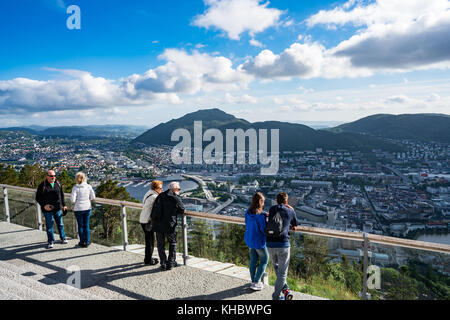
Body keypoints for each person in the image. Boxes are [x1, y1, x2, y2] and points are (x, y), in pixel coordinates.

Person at [266, 192, 299, 300]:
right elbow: (295, 224)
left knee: (277, 268)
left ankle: (285, 289)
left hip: (270, 244)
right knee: (282, 273)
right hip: (283, 244)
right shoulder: (290, 211)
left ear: (276, 200)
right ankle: (275, 297)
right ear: (286, 201)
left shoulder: (272, 209)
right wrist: (291, 208)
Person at [151, 181, 185, 271]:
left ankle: (163, 263)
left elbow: (154, 208)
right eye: (179, 189)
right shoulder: (175, 198)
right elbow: (182, 209)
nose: (179, 191)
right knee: (172, 243)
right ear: (174, 189)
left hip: (158, 225)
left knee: (160, 245)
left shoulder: (160, 196)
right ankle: (171, 262)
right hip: (170, 225)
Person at [35, 169, 68, 249]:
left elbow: (61, 195)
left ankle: (63, 237)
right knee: (49, 226)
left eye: (54, 175)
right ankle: (50, 241)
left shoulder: (58, 183)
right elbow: (37, 198)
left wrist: (64, 205)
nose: (53, 177)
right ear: (47, 176)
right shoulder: (42, 185)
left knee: (60, 224)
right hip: (47, 209)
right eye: (51, 176)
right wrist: (44, 205)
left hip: (58, 208)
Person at [244, 192, 269, 291]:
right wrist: (266, 220)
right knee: (264, 260)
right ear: (261, 201)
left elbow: (248, 222)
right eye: (263, 201)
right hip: (258, 241)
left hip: (249, 239)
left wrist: (264, 214)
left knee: (253, 261)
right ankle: (255, 282)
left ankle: (253, 281)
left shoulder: (248, 212)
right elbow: (264, 229)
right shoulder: (260, 216)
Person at [139, 180, 163, 265]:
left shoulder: (148, 193)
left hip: (143, 219)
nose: (161, 190)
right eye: (160, 188)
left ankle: (148, 258)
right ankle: (148, 260)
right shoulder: (154, 197)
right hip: (148, 221)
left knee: (148, 240)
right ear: (156, 188)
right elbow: (159, 208)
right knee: (150, 242)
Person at [70, 172, 95, 248]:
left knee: (80, 226)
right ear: (84, 178)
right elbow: (93, 197)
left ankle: (81, 242)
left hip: (78, 208)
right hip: (87, 208)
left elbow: (72, 200)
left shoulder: (75, 188)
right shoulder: (89, 187)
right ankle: (87, 242)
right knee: (86, 225)